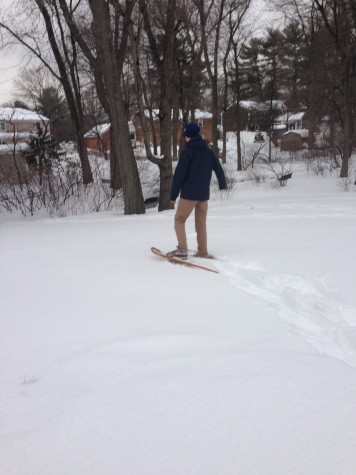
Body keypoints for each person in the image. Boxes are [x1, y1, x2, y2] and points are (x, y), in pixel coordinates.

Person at [168, 122, 227, 259]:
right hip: (203, 195)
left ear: (188, 136)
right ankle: (202, 252)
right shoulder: (208, 152)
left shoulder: (188, 152)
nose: (185, 138)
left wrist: (173, 195)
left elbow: (179, 175)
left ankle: (182, 249)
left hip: (189, 194)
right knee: (201, 224)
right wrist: (222, 184)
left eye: (185, 136)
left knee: (179, 220)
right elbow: (218, 169)